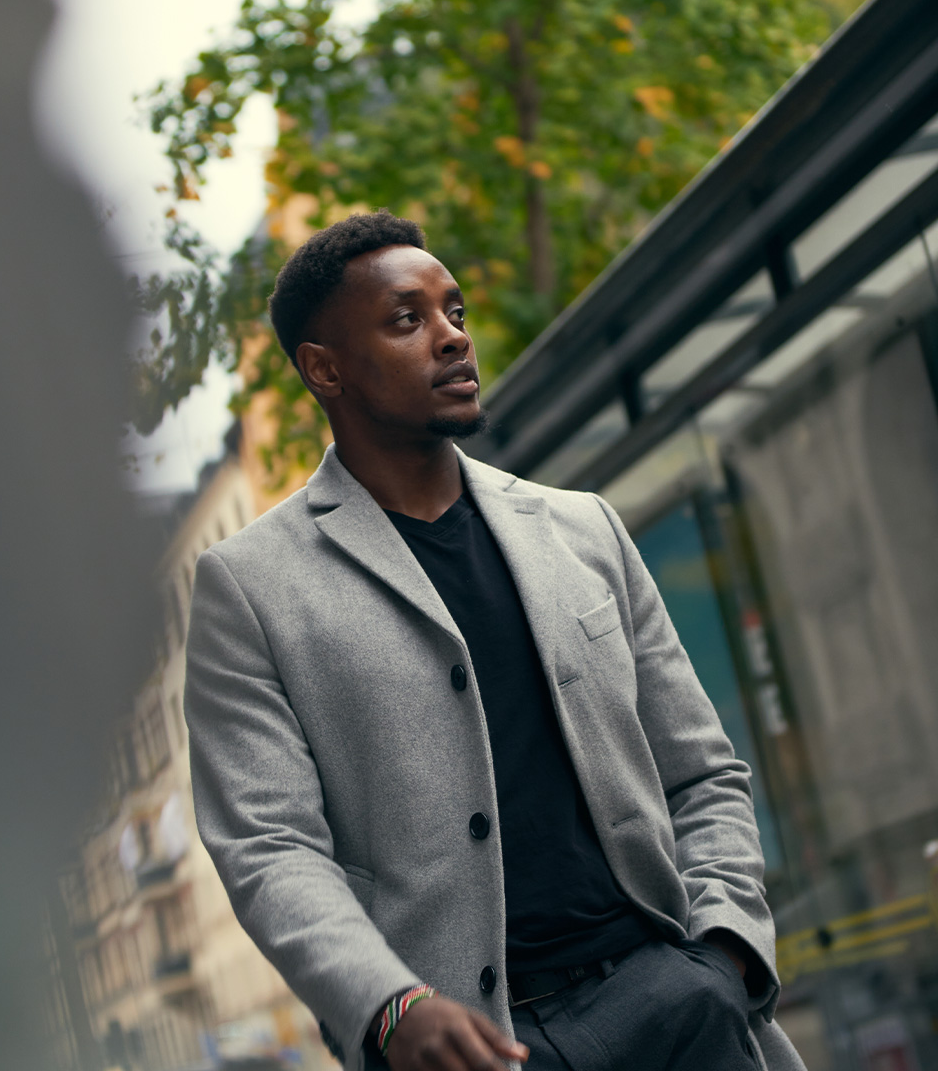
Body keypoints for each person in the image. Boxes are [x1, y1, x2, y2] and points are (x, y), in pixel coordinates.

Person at [184, 211, 804, 1071]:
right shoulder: (249, 588)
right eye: (408, 320)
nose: (451, 339)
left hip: (675, 1005)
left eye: (456, 313)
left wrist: (725, 954)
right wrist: (389, 1006)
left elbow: (703, 773)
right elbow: (267, 846)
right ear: (323, 368)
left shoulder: (583, 530)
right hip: (469, 1048)